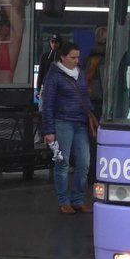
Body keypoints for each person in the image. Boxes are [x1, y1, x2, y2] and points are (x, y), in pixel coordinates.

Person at [40, 43, 93, 215]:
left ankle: (77, 200)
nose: (76, 61)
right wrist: (49, 130)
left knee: (84, 163)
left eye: (78, 57)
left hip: (80, 122)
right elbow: (47, 104)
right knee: (63, 162)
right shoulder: (53, 76)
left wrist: (90, 116)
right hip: (62, 122)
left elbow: (85, 96)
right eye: (73, 57)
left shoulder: (81, 74)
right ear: (62, 57)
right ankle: (64, 201)